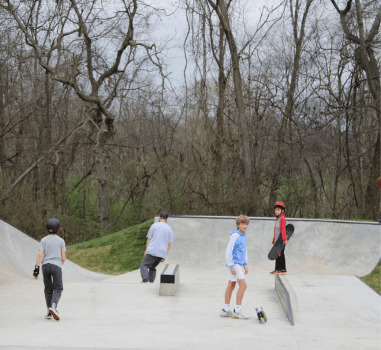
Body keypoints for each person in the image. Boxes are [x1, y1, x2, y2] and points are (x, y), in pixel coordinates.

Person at [33, 218, 66, 321]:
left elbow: (40, 254)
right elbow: (63, 257)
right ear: (58, 229)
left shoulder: (43, 240)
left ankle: (48, 312)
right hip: (56, 265)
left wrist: (36, 269)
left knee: (48, 289)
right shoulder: (61, 240)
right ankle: (53, 306)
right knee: (58, 288)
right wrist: (60, 263)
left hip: (45, 266)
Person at [220, 215, 250, 320]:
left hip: (238, 264)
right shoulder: (235, 235)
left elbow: (244, 251)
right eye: (242, 224)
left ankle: (226, 309)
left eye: (246, 224)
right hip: (233, 264)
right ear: (238, 225)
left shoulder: (244, 236)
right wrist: (231, 265)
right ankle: (237, 311)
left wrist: (245, 264)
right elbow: (228, 251)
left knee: (232, 285)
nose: (245, 226)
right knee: (243, 285)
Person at [140, 211, 173, 283]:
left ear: (159, 217)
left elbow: (149, 239)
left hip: (152, 250)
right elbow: (169, 244)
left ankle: (145, 280)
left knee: (144, 265)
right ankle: (151, 281)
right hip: (162, 253)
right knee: (152, 267)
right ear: (167, 218)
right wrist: (164, 255)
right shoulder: (169, 229)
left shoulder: (154, 226)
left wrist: (146, 250)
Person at [270, 202, 288, 275]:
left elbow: (283, 230)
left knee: (279, 254)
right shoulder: (277, 219)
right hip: (277, 240)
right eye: (275, 210)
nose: (276, 211)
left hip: (281, 240)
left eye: (278, 210)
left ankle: (279, 269)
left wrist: (284, 239)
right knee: (279, 254)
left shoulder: (282, 219)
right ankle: (282, 269)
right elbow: (276, 230)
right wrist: (274, 238)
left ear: (282, 210)